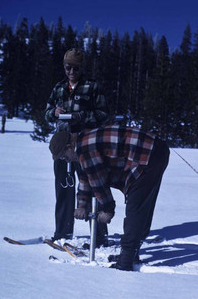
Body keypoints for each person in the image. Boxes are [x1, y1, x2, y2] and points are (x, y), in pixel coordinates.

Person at [48, 125, 170, 271]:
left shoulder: (85, 149)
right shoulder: (81, 145)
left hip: (148, 154)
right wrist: (81, 205)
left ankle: (126, 261)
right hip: (153, 151)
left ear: (70, 146)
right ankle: (131, 254)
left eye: (64, 156)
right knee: (140, 206)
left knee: (136, 208)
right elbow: (85, 177)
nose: (66, 160)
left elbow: (98, 182)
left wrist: (108, 210)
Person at [44, 48, 110, 245]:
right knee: (63, 188)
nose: (71, 71)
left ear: (82, 68)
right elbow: (46, 114)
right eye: (68, 67)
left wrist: (81, 117)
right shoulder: (58, 88)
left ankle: (99, 235)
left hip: (85, 144)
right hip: (63, 147)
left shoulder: (92, 87)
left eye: (75, 68)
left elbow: (104, 114)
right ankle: (63, 232)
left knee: (92, 186)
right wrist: (54, 113)